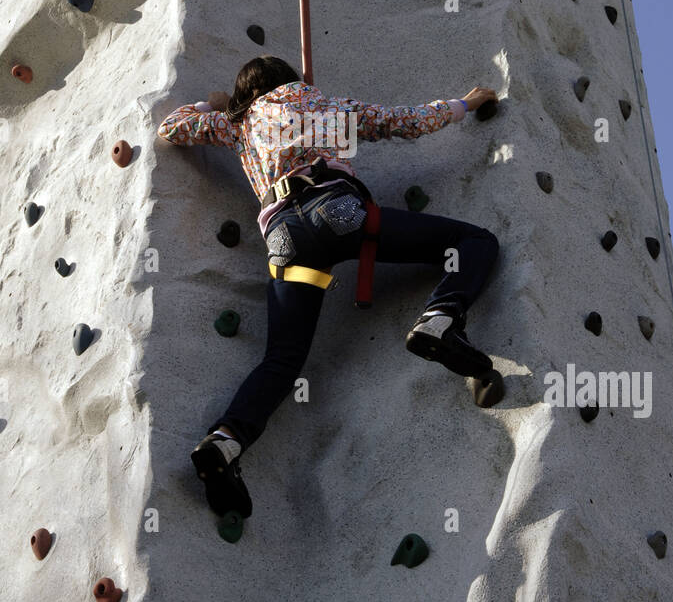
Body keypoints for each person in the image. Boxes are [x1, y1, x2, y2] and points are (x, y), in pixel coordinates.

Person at [156, 56, 500, 519]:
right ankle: (440, 319)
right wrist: (465, 103)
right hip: (339, 213)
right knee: (474, 241)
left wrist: (212, 104)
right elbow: (405, 122)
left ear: (245, 95)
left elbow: (172, 128)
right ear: (291, 80)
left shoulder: (237, 125)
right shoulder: (323, 106)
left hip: (285, 242)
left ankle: (226, 442)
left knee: (281, 359)